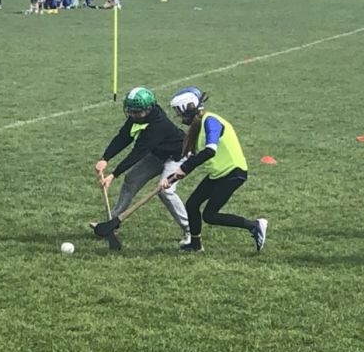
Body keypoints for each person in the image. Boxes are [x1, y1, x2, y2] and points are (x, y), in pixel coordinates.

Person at [159, 87, 267, 253]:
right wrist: (172, 178)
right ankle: (195, 245)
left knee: (210, 215)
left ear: (188, 108)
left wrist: (184, 168)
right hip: (218, 174)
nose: (179, 116)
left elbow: (210, 150)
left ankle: (255, 225)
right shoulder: (198, 126)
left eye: (179, 112)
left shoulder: (211, 121)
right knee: (192, 204)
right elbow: (192, 157)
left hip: (233, 173)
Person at [95, 87, 191, 245]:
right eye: (130, 111)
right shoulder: (137, 117)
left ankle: (190, 230)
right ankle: (112, 223)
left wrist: (113, 175)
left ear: (149, 109)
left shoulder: (159, 125)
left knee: (166, 191)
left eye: (137, 112)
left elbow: (137, 152)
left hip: (178, 156)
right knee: (131, 179)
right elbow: (123, 137)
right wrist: (105, 158)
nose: (133, 115)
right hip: (158, 154)